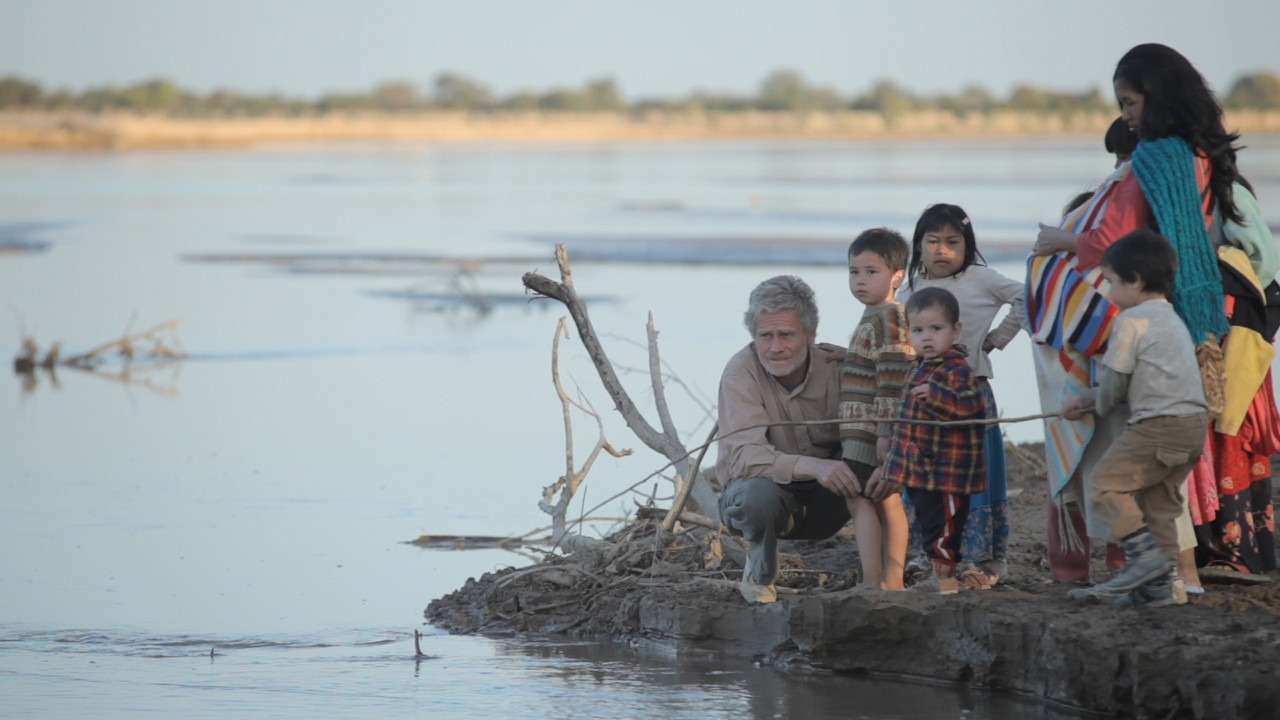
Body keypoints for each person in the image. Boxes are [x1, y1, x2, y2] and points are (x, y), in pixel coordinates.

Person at [1034, 43, 1279, 578]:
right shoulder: (1204, 154)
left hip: (1182, 305)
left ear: (1158, 96)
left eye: (1130, 102)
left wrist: (1059, 240)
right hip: (1228, 303)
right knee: (1213, 436)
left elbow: (1110, 242)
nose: (1127, 116)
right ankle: (1214, 562)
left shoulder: (1155, 157)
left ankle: (1166, 566)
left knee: (1140, 469)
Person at [1061, 229, 1208, 607]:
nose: (1108, 292)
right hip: (1191, 428)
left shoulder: (1131, 321)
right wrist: (1091, 399)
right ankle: (1157, 590)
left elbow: (1113, 389)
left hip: (1157, 425)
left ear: (1136, 281)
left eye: (1111, 282)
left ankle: (1145, 559)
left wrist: (1090, 401)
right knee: (1159, 504)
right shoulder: (1171, 319)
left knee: (1105, 486)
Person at [1026, 118, 1135, 584]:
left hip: (1105, 352)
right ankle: (1086, 568)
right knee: (1100, 460)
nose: (1117, 168)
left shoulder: (1123, 203)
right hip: (1091, 353)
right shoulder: (1104, 204)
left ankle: (1097, 567)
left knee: (1095, 462)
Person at [899, 203, 1023, 587]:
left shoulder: (981, 279)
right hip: (923, 398)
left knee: (973, 477)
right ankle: (931, 554)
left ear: (967, 246)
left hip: (969, 393)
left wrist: (996, 340)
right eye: (932, 241)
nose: (942, 250)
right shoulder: (910, 288)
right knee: (926, 479)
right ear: (918, 246)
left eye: (952, 242)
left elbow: (1028, 297)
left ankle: (980, 558)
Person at [716, 275, 860, 603]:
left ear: (811, 334)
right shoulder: (740, 372)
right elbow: (743, 456)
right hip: (769, 493)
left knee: (874, 460)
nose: (775, 347)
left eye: (786, 335)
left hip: (832, 497)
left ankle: (878, 572)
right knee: (755, 496)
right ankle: (760, 573)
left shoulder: (840, 367)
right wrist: (814, 466)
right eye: (765, 336)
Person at [883, 287, 988, 593]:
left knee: (945, 524)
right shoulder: (916, 367)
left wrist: (938, 396)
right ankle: (933, 570)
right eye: (917, 330)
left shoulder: (957, 369)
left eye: (936, 329)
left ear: (955, 330)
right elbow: (906, 421)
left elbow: (971, 407)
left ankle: (945, 578)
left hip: (947, 472)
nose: (926, 337)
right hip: (920, 469)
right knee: (929, 519)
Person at [838, 228, 913, 590]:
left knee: (867, 500)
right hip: (864, 432)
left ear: (897, 276)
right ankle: (886, 579)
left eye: (871, 272)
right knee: (880, 500)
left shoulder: (890, 319)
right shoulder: (876, 316)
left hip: (872, 434)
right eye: (854, 272)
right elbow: (870, 366)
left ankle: (880, 579)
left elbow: (893, 380)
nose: (860, 280)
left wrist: (886, 435)